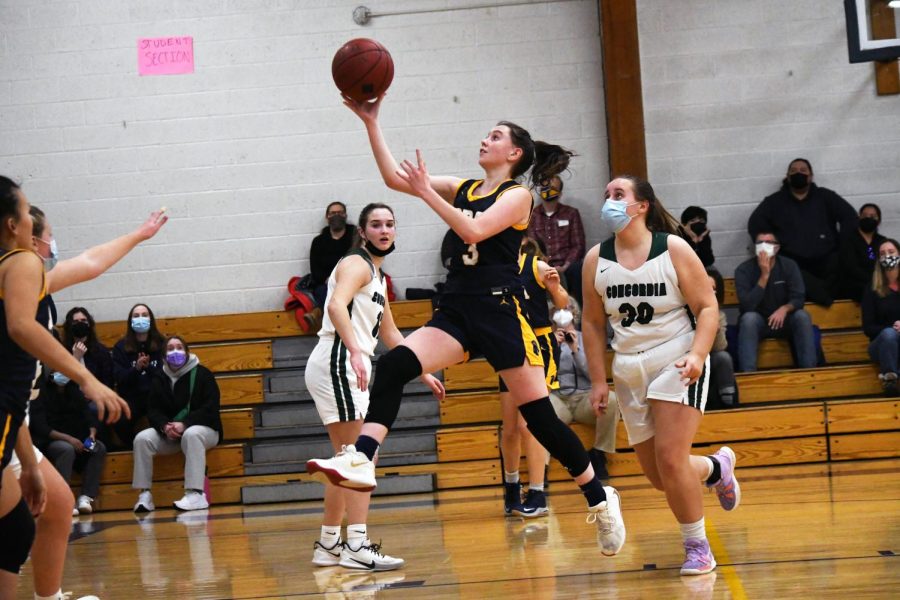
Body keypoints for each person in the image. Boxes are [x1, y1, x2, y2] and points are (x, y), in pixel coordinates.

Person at [308, 94, 626, 557]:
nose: (485, 139)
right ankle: (362, 456)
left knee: (538, 418)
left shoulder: (518, 196)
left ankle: (599, 496)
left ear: (514, 154)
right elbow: (395, 179)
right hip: (457, 308)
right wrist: (371, 123)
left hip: (500, 312)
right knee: (395, 366)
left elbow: (474, 231)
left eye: (495, 136)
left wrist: (427, 192)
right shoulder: (465, 187)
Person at [582, 175, 738, 576]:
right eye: (607, 196)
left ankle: (697, 547)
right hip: (628, 368)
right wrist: (599, 380)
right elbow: (594, 324)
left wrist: (699, 355)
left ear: (642, 206)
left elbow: (707, 306)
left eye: (619, 195)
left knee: (671, 462)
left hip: (676, 359)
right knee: (659, 477)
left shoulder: (672, 248)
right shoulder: (595, 260)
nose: (610, 202)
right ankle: (717, 468)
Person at [1, 175, 146, 599]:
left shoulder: (29, 275)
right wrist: (88, 379)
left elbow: (92, 262)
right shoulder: (22, 261)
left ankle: (49, 596)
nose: (38, 227)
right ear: (15, 226)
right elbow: (21, 326)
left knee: (46, 510)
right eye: (28, 213)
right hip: (11, 416)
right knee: (12, 530)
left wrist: (138, 235)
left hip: (14, 421)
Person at [306, 203, 443, 571]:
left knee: (346, 461)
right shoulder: (356, 264)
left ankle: (330, 543)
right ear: (362, 232)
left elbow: (390, 332)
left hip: (349, 361)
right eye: (376, 225)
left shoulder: (379, 277)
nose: (384, 230)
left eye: (390, 224)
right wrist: (353, 348)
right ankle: (357, 544)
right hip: (339, 357)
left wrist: (422, 368)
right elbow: (334, 305)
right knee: (360, 459)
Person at [500, 237, 569, 518]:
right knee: (510, 427)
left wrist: (554, 288)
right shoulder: (495, 268)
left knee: (530, 424)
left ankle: (538, 492)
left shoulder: (536, 265)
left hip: (539, 345)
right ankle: (512, 486)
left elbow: (563, 303)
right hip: (508, 344)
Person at [747, 158, 857, 306]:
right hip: (793, 262)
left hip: (827, 260)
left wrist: (843, 245)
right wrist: (770, 248)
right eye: (793, 171)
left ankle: (822, 297)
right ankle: (824, 298)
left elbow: (850, 217)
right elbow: (755, 224)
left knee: (845, 265)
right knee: (788, 272)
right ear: (787, 176)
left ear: (811, 176)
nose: (798, 173)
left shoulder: (826, 197)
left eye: (803, 170)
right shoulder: (774, 202)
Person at [132, 335, 223, 512]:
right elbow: (153, 410)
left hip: (205, 431)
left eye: (180, 347)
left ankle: (195, 493)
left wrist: (185, 424)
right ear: (164, 356)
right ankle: (145, 495)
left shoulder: (203, 374)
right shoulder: (159, 377)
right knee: (142, 438)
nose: (176, 351)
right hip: (172, 433)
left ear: (187, 351)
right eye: (171, 348)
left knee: (192, 433)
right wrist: (164, 426)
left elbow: (211, 408)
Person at [548, 306, 620, 479]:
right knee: (540, 410)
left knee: (611, 400)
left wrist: (576, 350)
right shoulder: (546, 341)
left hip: (584, 399)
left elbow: (593, 373)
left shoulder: (586, 339)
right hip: (557, 397)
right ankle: (544, 466)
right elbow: (543, 374)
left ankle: (599, 453)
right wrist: (554, 348)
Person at [29, 365, 107, 516]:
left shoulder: (74, 392)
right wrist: (69, 439)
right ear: (50, 374)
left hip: (79, 438)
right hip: (51, 440)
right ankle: (64, 499)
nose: (62, 375)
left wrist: (91, 434)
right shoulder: (40, 394)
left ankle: (86, 497)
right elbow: (41, 427)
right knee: (66, 449)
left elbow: (89, 416)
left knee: (99, 447)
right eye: (57, 371)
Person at [734, 231, 817, 373]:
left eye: (768, 242)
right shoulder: (743, 270)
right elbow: (747, 305)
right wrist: (764, 276)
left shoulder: (789, 266)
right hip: (759, 321)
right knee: (748, 319)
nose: (763, 246)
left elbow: (799, 297)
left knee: (802, 316)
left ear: (777, 247)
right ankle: (748, 375)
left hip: (784, 320)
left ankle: (810, 372)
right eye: (760, 242)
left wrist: (784, 309)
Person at [527, 175, 586, 306]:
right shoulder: (533, 215)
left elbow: (578, 245)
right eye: (544, 187)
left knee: (578, 269)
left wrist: (565, 266)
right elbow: (532, 245)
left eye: (552, 188)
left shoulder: (571, 213)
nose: (548, 191)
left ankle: (580, 320)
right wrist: (544, 265)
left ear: (560, 193)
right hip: (542, 265)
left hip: (567, 266)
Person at [112, 303, 165, 448]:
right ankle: (134, 446)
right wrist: (136, 368)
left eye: (144, 315)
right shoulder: (120, 347)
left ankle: (162, 446)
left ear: (151, 319)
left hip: (156, 396)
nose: (140, 318)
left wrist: (148, 368)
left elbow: (165, 376)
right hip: (131, 397)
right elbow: (119, 378)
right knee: (119, 418)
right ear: (130, 321)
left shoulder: (162, 344)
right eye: (136, 316)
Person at [861, 239, 900, 396]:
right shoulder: (872, 288)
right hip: (881, 343)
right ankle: (890, 380)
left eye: (891, 252)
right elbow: (868, 328)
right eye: (882, 254)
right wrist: (893, 328)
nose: (887, 256)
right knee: (889, 335)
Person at [838, 203, 888, 302]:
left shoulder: (882, 241)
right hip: (854, 286)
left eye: (872, 216)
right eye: (865, 216)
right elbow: (850, 267)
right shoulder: (848, 239)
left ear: (879, 221)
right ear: (859, 218)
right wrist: (873, 281)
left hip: (878, 283)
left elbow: (885, 265)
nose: (868, 218)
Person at [310, 202, 355, 308]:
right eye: (333, 213)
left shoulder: (356, 237)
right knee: (323, 293)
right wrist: (330, 281)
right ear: (327, 217)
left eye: (340, 212)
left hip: (352, 282)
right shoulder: (318, 242)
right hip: (327, 284)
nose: (336, 216)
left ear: (345, 215)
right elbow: (315, 271)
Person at [705, 268, 738, 409]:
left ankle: (728, 400)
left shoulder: (719, 315)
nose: (709, 292)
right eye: (706, 287)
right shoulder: (683, 312)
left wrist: (715, 330)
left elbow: (720, 347)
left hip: (708, 359)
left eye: (713, 289)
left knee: (723, 357)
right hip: (687, 359)